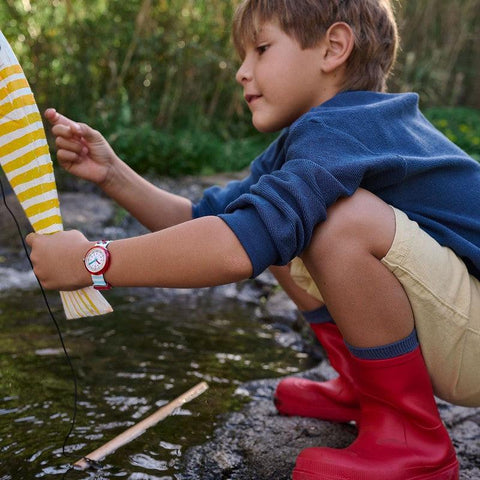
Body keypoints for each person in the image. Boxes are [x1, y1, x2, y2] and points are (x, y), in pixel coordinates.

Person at [26, 0, 480, 478]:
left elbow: (233, 248)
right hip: (459, 331)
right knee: (276, 222)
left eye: (261, 49)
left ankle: (411, 441)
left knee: (337, 220)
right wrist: (113, 174)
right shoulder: (311, 142)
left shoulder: (349, 128)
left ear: (334, 48)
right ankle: (366, 387)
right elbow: (202, 220)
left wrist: (92, 262)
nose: (242, 72)